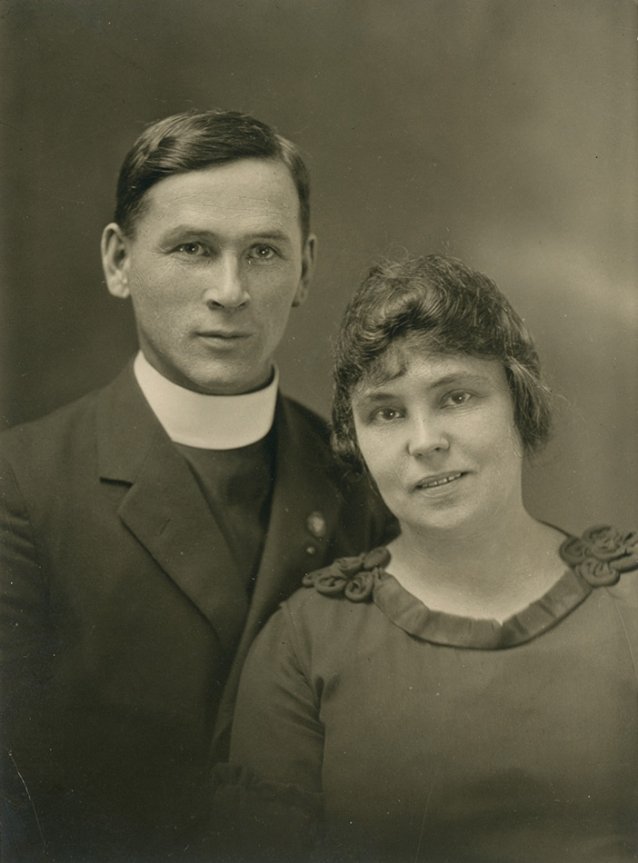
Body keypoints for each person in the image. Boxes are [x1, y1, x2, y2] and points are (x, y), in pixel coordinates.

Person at [0, 110, 391, 862]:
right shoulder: (22, 486)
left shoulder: (361, 478)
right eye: (192, 249)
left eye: (264, 253)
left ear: (306, 268)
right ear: (119, 261)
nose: (230, 290)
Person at [216, 254, 638, 862]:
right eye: (386, 413)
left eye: (457, 397)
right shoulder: (304, 644)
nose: (424, 441)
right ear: (356, 441)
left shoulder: (627, 603)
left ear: (520, 405)